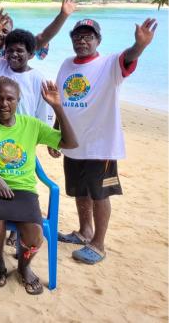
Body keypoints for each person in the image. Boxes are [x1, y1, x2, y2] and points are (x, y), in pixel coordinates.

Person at [0, 77, 78, 294]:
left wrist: (57, 107)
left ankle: (24, 265)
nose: (4, 103)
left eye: (10, 98)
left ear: (18, 100)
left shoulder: (31, 125)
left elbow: (70, 143)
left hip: (23, 189)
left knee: (34, 234)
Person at [55, 17, 157, 265]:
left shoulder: (110, 64)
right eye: (78, 36)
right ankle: (83, 232)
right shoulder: (66, 65)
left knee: (99, 194)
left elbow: (129, 57)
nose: (82, 40)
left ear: (98, 40)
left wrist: (140, 46)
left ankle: (98, 244)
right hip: (72, 144)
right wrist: (55, 134)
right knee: (80, 191)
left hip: (100, 146)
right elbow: (60, 101)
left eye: (88, 36)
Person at [0, 28, 53, 124]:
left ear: (31, 55)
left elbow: (44, 114)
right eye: (10, 50)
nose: (14, 54)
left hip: (23, 134)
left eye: (20, 51)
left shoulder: (38, 79)